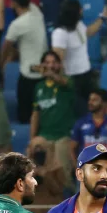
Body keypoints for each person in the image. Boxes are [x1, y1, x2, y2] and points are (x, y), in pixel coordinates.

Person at [51, 0, 107, 105]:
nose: (82, 10)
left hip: (87, 74)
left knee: (97, 104)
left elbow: (88, 32)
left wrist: (103, 17)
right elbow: (57, 61)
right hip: (72, 79)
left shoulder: (78, 24)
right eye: (80, 9)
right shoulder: (60, 33)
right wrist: (63, 82)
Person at [1, 0, 47, 125]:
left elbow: (5, 48)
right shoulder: (37, 13)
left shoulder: (17, 25)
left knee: (25, 116)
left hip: (29, 77)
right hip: (44, 74)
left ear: (14, 3)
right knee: (43, 115)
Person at [29, 51, 77, 179]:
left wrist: (49, 73)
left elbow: (63, 81)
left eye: (54, 62)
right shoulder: (39, 87)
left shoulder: (68, 81)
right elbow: (35, 114)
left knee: (61, 174)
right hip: (44, 136)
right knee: (31, 162)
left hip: (63, 136)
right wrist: (32, 139)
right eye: (47, 62)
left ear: (60, 65)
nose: (50, 65)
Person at [70, 89, 107, 166]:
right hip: (86, 167)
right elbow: (71, 148)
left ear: (104, 103)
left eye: (94, 100)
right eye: (90, 99)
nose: (90, 102)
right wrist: (77, 167)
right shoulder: (81, 123)